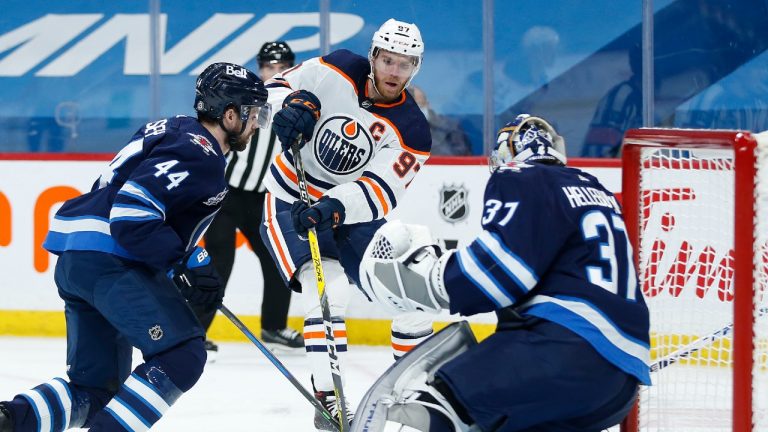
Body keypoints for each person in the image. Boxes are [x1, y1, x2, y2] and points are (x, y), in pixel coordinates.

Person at [0, 62, 269, 432]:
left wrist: (187, 261)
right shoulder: (201, 154)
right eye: (253, 114)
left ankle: (10, 420)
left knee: (95, 391)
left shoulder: (172, 128)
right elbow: (132, 212)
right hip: (113, 261)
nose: (257, 124)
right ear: (229, 114)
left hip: (80, 258)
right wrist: (183, 262)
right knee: (182, 355)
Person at [357, 114, 651, 431]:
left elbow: (501, 274)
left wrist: (429, 278)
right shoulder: (595, 189)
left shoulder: (521, 176)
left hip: (563, 350)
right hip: (620, 386)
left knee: (443, 402)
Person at [259, 18, 434, 430]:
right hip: (289, 199)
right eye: (388, 60)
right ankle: (328, 400)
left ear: (416, 68)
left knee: (412, 293)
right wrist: (290, 105)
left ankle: (416, 396)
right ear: (373, 56)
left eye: (405, 64)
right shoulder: (336, 67)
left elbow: (382, 190)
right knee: (329, 290)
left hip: (346, 214)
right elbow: (269, 92)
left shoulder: (413, 130)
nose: (394, 71)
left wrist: (334, 206)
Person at [195, 41, 303, 359]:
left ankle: (273, 326)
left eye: (282, 67)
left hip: (263, 198)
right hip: (226, 195)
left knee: (277, 260)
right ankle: (194, 332)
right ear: (260, 69)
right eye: (270, 67)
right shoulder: (245, 100)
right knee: (219, 262)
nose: (276, 72)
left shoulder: (298, 104)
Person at [409, 85, 471, 156]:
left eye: (418, 106)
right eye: (407, 109)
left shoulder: (451, 127)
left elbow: (460, 156)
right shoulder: (396, 128)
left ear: (428, 105)